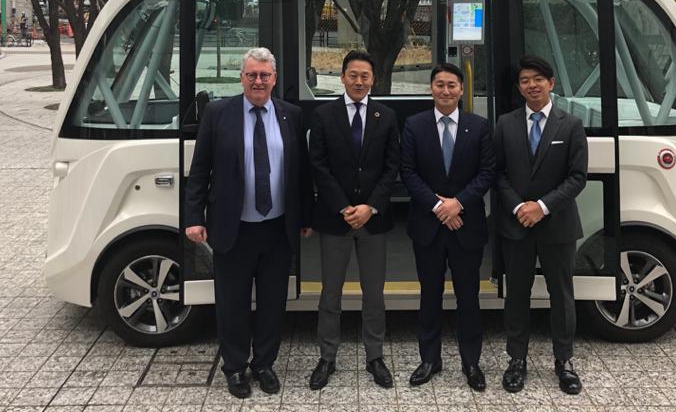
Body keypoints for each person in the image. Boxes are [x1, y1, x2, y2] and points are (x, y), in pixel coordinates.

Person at [184, 47, 313, 399]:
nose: (258, 81)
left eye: (265, 75)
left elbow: (300, 173)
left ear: (274, 78)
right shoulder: (218, 114)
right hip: (233, 228)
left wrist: (305, 216)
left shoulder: (292, 115)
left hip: (277, 228)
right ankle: (235, 367)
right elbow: (200, 171)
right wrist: (193, 218)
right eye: (251, 75)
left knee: (273, 303)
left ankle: (264, 364)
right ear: (241, 78)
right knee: (232, 303)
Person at [494, 55, 588, 396]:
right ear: (519, 87)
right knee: (516, 294)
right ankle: (516, 360)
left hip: (557, 225)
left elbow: (578, 177)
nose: (531, 85)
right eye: (524, 81)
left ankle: (564, 361)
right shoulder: (505, 124)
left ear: (551, 83)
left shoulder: (571, 125)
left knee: (561, 295)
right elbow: (498, 173)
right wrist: (521, 206)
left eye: (537, 79)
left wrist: (542, 206)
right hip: (516, 223)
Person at [307, 50, 400, 390]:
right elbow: (318, 165)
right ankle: (326, 357)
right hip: (336, 219)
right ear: (342, 77)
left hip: (373, 221)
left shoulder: (386, 116)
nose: (359, 81)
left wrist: (370, 207)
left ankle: (374, 356)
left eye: (365, 76)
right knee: (330, 292)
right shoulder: (323, 115)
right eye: (353, 75)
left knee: (373, 293)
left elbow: (392, 168)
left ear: (373, 80)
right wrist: (345, 207)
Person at [400, 62, 496, 391]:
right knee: (430, 295)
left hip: (466, 226)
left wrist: (459, 204)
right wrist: (441, 206)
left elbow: (487, 173)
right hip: (428, 226)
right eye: (439, 84)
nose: (445, 90)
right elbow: (408, 173)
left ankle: (471, 361)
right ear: (431, 89)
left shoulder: (479, 126)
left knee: (468, 296)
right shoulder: (414, 126)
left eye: (451, 85)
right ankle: (430, 359)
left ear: (461, 90)